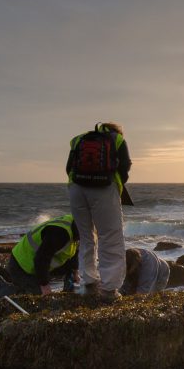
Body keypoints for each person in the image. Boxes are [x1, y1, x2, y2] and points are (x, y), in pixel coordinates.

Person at [67, 122, 132, 303]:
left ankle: (88, 283)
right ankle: (109, 290)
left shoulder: (79, 139)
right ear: (118, 131)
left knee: (86, 236)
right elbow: (126, 166)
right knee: (110, 236)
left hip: (76, 189)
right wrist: (116, 183)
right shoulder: (117, 139)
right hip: (103, 188)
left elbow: (68, 167)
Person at [0, 215, 79, 301]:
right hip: (21, 264)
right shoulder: (60, 233)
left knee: (69, 272)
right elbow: (41, 259)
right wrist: (45, 286)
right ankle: (0, 285)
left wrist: (75, 272)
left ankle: (69, 287)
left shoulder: (78, 226)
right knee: (34, 298)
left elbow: (74, 250)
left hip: (39, 263)